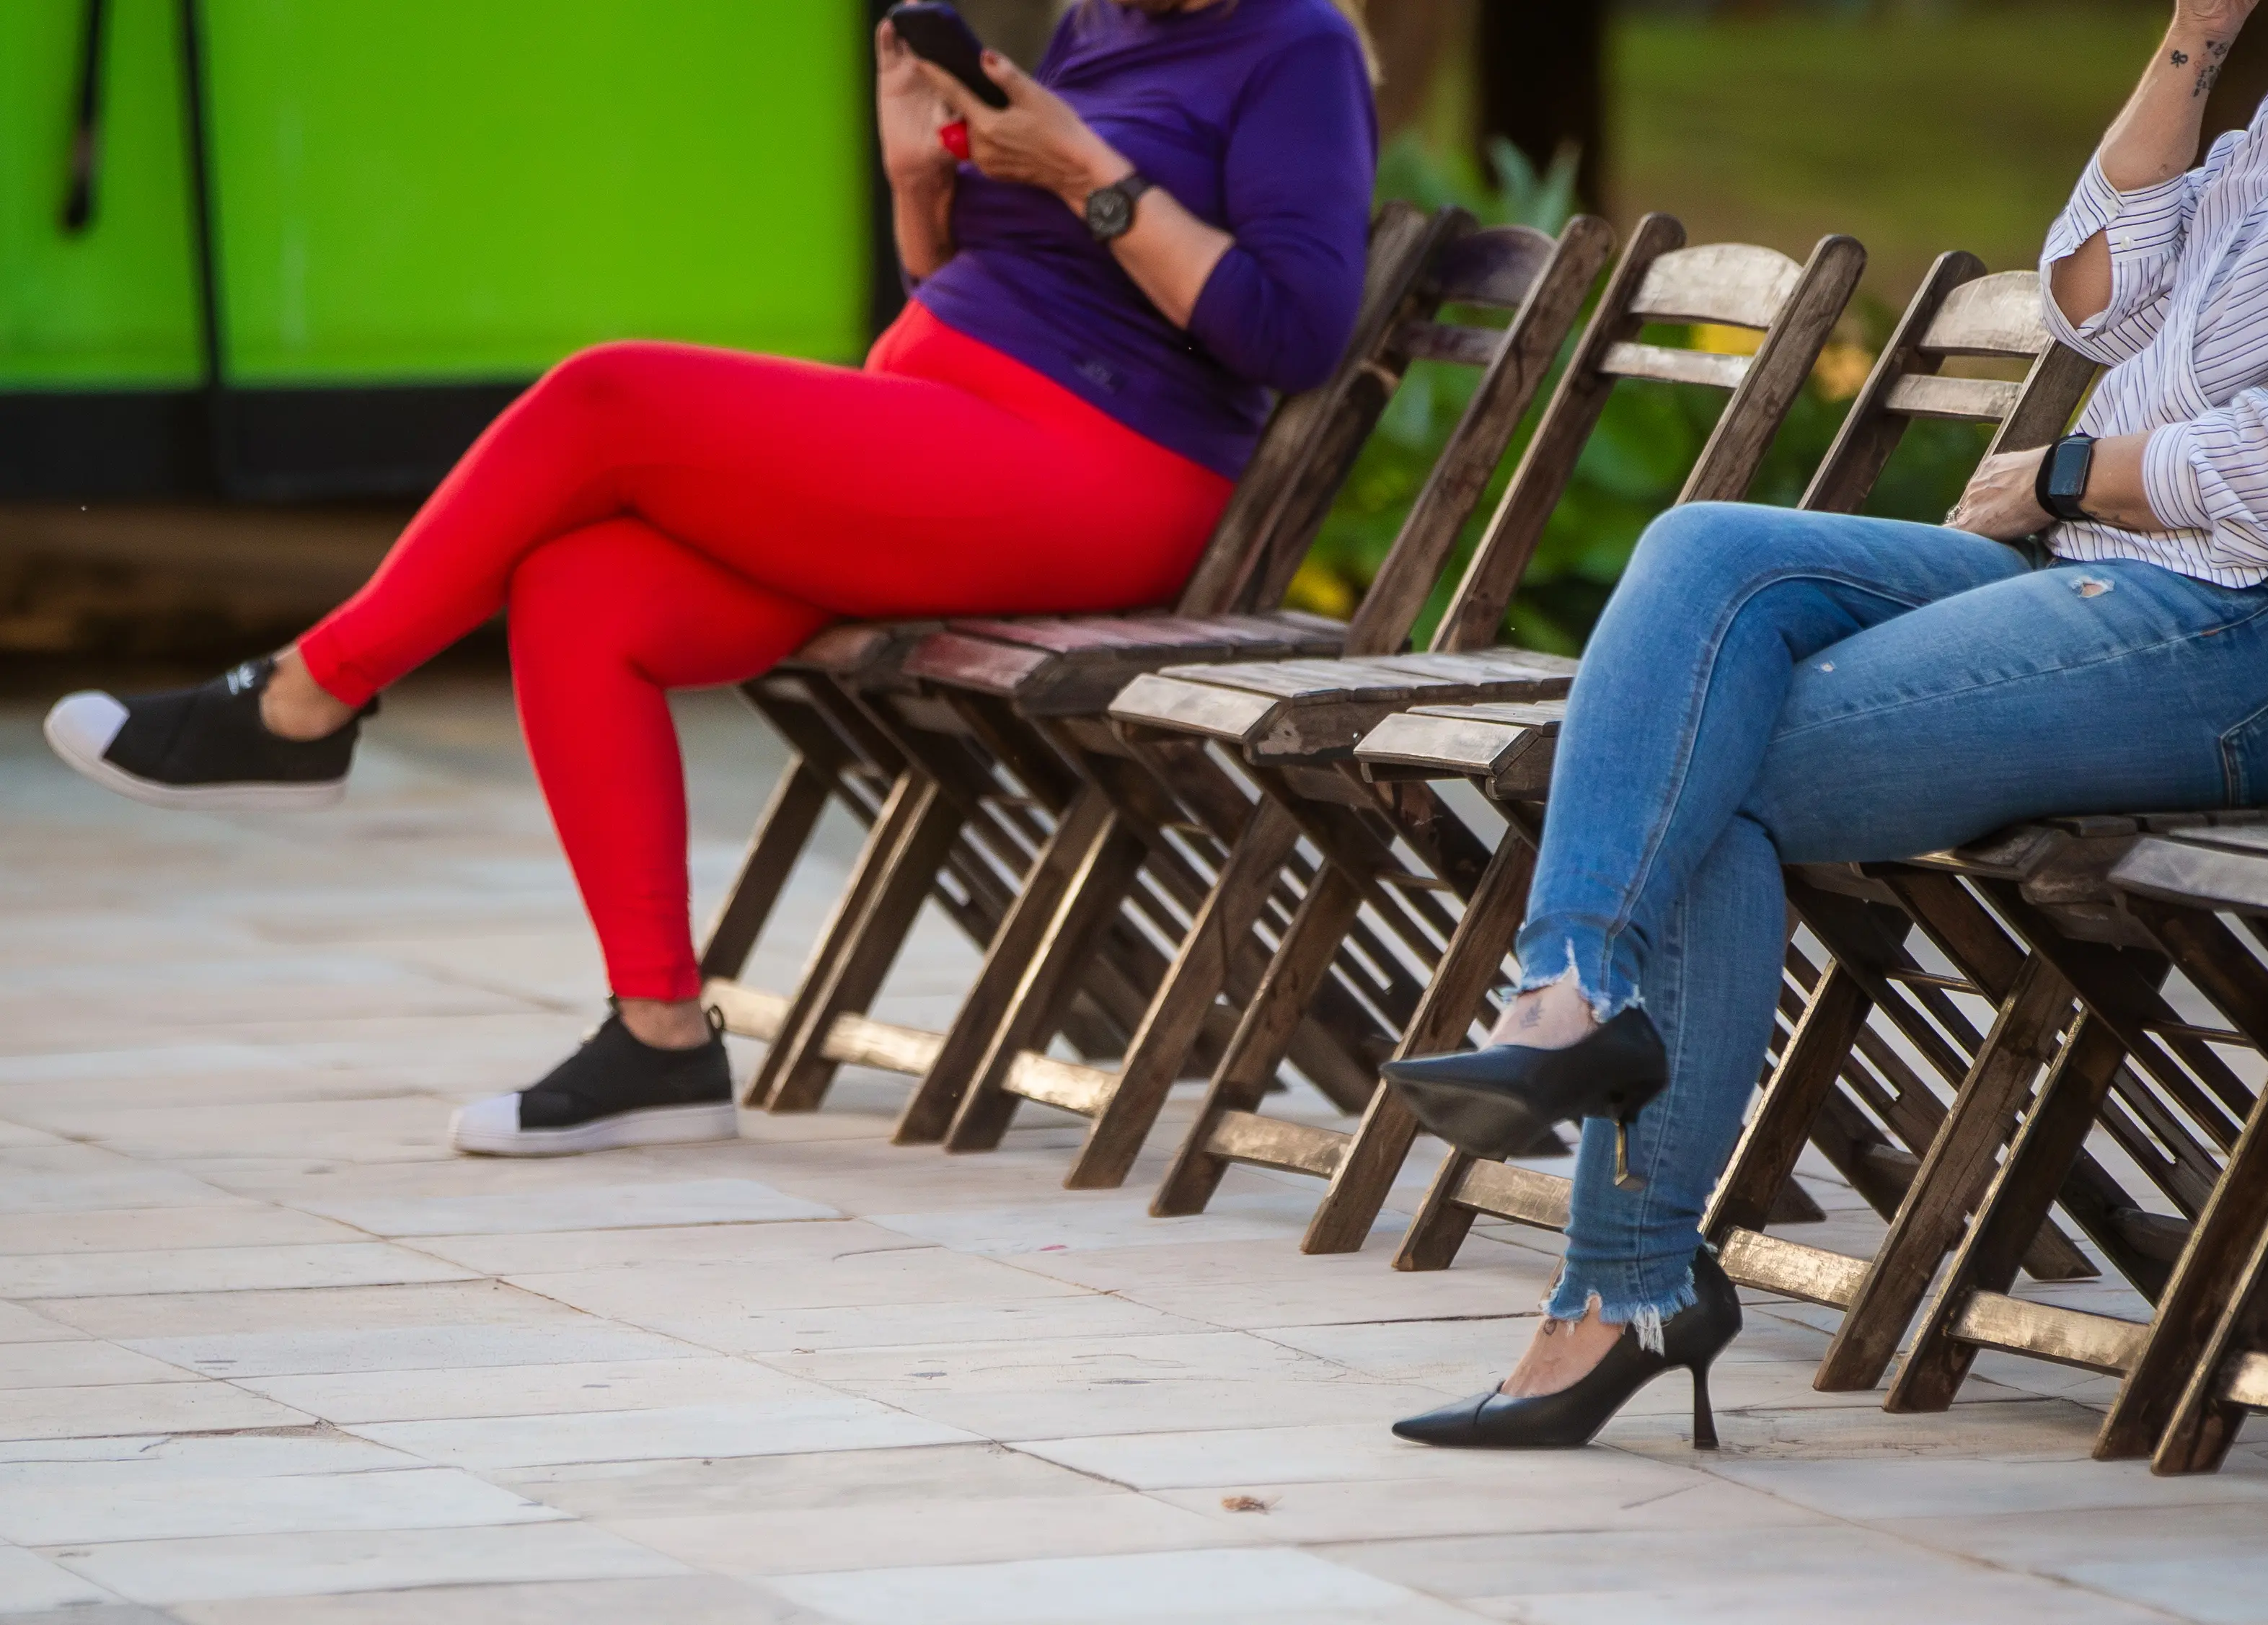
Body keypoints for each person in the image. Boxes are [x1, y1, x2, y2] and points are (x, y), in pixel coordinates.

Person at [1380, 0, 2268, 1450]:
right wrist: (2192, 41)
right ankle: (1567, 991)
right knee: (1700, 556)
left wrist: (2061, 474)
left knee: (1706, 770)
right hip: (2109, 574)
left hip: (2249, 642)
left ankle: (1616, 1293)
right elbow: (2094, 300)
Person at [43, 0, 1377, 1157]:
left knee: (606, 397)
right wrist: (920, 179)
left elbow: (1295, 331)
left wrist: (1085, 165)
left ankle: (299, 702)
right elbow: (970, 276)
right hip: (945, 437)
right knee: (580, 591)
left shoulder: (1297, 46)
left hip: (1101, 469)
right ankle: (661, 1039)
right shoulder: (1104, 22)